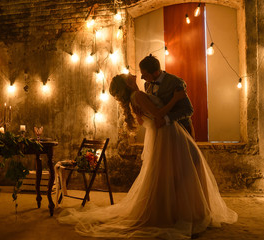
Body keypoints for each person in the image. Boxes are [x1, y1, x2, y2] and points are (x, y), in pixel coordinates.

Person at [57, 73, 237, 239]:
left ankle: (178, 210)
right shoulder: (139, 97)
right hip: (168, 133)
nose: (134, 74)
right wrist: (175, 98)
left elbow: (144, 121)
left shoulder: (136, 97)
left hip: (162, 136)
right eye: (128, 76)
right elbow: (159, 114)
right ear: (127, 83)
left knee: (171, 173)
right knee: (188, 169)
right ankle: (186, 213)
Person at [139, 54, 194, 137]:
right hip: (161, 132)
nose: (142, 78)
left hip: (181, 131)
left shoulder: (176, 82)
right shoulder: (147, 84)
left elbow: (188, 110)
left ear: (156, 72)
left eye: (145, 75)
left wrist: (166, 119)